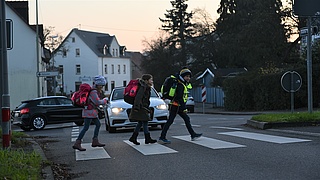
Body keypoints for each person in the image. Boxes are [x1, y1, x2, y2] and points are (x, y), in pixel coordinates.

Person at [159, 68, 202, 144]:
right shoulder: (180, 85)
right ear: (183, 76)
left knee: (184, 119)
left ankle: (193, 134)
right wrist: (184, 108)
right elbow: (179, 97)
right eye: (187, 76)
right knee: (171, 121)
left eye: (189, 76)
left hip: (175, 105)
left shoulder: (181, 83)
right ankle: (162, 137)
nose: (188, 78)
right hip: (176, 106)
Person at [72, 75, 108, 151]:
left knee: (97, 124)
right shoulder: (93, 92)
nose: (102, 87)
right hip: (89, 112)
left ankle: (95, 140)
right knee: (86, 127)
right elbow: (97, 102)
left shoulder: (93, 91)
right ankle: (77, 143)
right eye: (101, 85)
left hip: (90, 112)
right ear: (98, 84)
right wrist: (105, 100)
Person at [128, 74, 157, 145]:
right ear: (146, 80)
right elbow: (138, 97)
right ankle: (147, 138)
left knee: (141, 122)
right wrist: (137, 107)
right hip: (141, 108)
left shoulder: (145, 87)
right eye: (151, 79)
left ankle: (134, 137)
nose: (152, 81)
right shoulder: (143, 87)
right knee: (145, 121)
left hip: (143, 107)